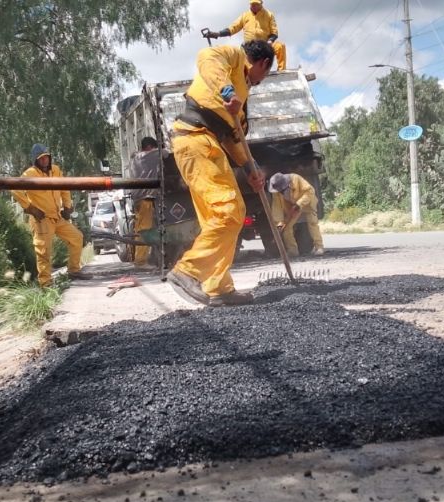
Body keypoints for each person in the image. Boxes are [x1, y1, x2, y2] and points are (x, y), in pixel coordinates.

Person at [166, 41, 274, 307]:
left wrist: (250, 168)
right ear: (264, 64)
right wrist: (226, 90)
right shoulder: (234, 57)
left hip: (207, 143)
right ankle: (188, 271)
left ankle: (219, 286)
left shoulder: (243, 94)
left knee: (221, 217)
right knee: (229, 211)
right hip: (196, 139)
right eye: (267, 73)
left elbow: (235, 138)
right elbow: (206, 57)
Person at [14, 144, 89, 287]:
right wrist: (30, 208)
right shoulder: (30, 174)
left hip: (57, 217)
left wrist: (67, 206)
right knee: (44, 251)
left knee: (76, 237)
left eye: (46, 157)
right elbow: (15, 188)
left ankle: (73, 270)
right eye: (41, 159)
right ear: (36, 160)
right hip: (41, 219)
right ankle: (46, 284)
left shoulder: (56, 170)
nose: (45, 161)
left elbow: (64, 187)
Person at [204, 0, 287, 70]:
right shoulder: (245, 15)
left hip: (265, 44)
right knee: (240, 60)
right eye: (252, 4)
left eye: (256, 4)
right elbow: (233, 28)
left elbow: (274, 32)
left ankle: (282, 71)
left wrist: (270, 41)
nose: (253, 6)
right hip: (249, 46)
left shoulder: (269, 15)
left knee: (280, 46)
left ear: (261, 4)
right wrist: (217, 34)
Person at [129, 137, 166, 268]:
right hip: (145, 198)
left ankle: (147, 258)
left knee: (146, 228)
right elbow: (165, 153)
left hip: (142, 198)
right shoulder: (148, 156)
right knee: (144, 229)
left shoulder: (136, 158)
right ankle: (140, 261)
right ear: (150, 147)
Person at [269, 173, 324, 257]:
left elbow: (310, 191)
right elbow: (277, 208)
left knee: (313, 223)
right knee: (286, 228)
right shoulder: (276, 191)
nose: (280, 192)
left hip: (307, 202)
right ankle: (292, 251)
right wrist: (279, 224)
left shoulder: (296, 179)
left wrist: (298, 204)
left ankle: (319, 247)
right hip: (292, 207)